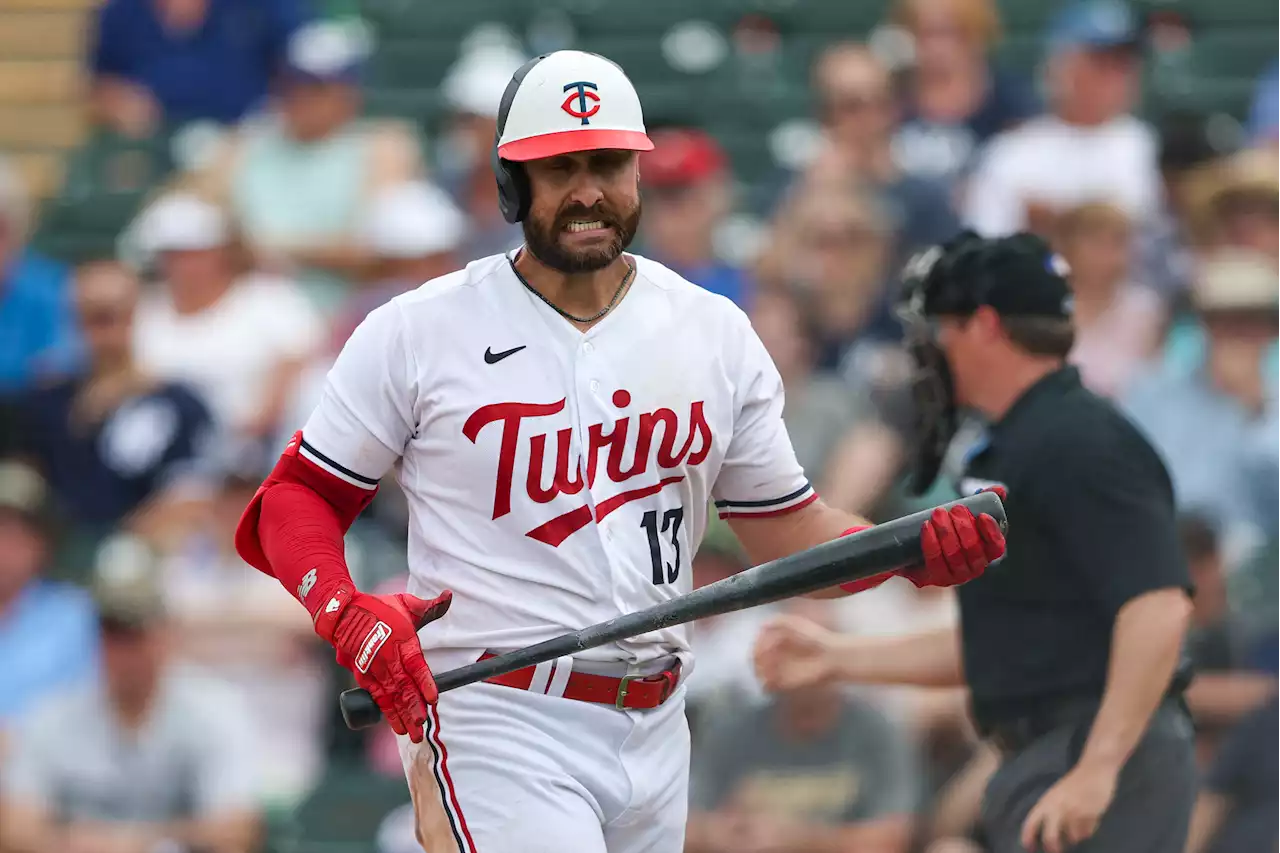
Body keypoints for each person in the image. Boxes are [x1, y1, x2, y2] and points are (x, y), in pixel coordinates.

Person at [232, 50, 1007, 853]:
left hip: (658, 719)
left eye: (608, 162)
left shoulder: (712, 332)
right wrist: (341, 607)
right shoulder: (421, 328)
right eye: (559, 167)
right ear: (511, 183)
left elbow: (790, 531)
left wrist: (908, 551)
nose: (588, 189)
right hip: (500, 712)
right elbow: (296, 497)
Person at [755, 231, 1197, 853]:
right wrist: (837, 658)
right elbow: (1003, 637)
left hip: (1101, 754)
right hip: (1047, 751)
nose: (932, 348)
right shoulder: (1017, 443)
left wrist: (1099, 767)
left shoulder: (1083, 440)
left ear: (985, 325)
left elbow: (1158, 607)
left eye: (942, 328)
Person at [0, 533, 263, 853]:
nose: (124, 649)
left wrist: (123, 842)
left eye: (136, 629)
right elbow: (15, 831)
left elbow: (236, 833)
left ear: (166, 630)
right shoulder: (54, 714)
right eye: (112, 630)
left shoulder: (214, 709)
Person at [686, 599, 920, 853]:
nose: (803, 666)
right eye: (789, 651)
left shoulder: (876, 731)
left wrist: (799, 839)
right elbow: (683, 828)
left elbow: (892, 840)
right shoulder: (732, 731)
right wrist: (721, 833)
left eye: (812, 651)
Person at [18, 261, 215, 542]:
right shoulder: (46, 401)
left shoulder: (180, 404)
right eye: (89, 317)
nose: (102, 332)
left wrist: (124, 542)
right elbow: (29, 482)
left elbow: (191, 494)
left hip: (142, 552)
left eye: (111, 316)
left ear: (137, 315)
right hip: (56, 549)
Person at [130, 190, 325, 444]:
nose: (184, 265)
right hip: (172, 445)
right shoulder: (144, 310)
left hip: (265, 444)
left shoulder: (270, 297)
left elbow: (298, 358)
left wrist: (259, 422)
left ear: (222, 252)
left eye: (195, 253)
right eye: (172, 255)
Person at [962, 0, 1160, 239]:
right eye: (1101, 63)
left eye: (1124, 63)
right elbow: (985, 247)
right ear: (1060, 67)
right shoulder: (1012, 153)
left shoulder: (1149, 147)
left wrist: (1055, 219)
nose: (1116, 76)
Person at [88, 0, 309, 135]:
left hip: (245, 144)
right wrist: (118, 102)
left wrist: (264, 126)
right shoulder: (122, 12)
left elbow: (306, 75)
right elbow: (98, 85)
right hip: (152, 148)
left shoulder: (264, 5)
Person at [888, 0, 1041, 190]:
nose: (935, 47)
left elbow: (1029, 171)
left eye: (949, 33)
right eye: (923, 34)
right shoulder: (890, 99)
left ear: (977, 37)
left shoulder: (1011, 101)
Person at [637, 127, 751, 308]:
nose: (665, 219)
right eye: (652, 200)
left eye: (682, 199)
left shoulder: (754, 285)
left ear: (718, 197)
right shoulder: (616, 291)